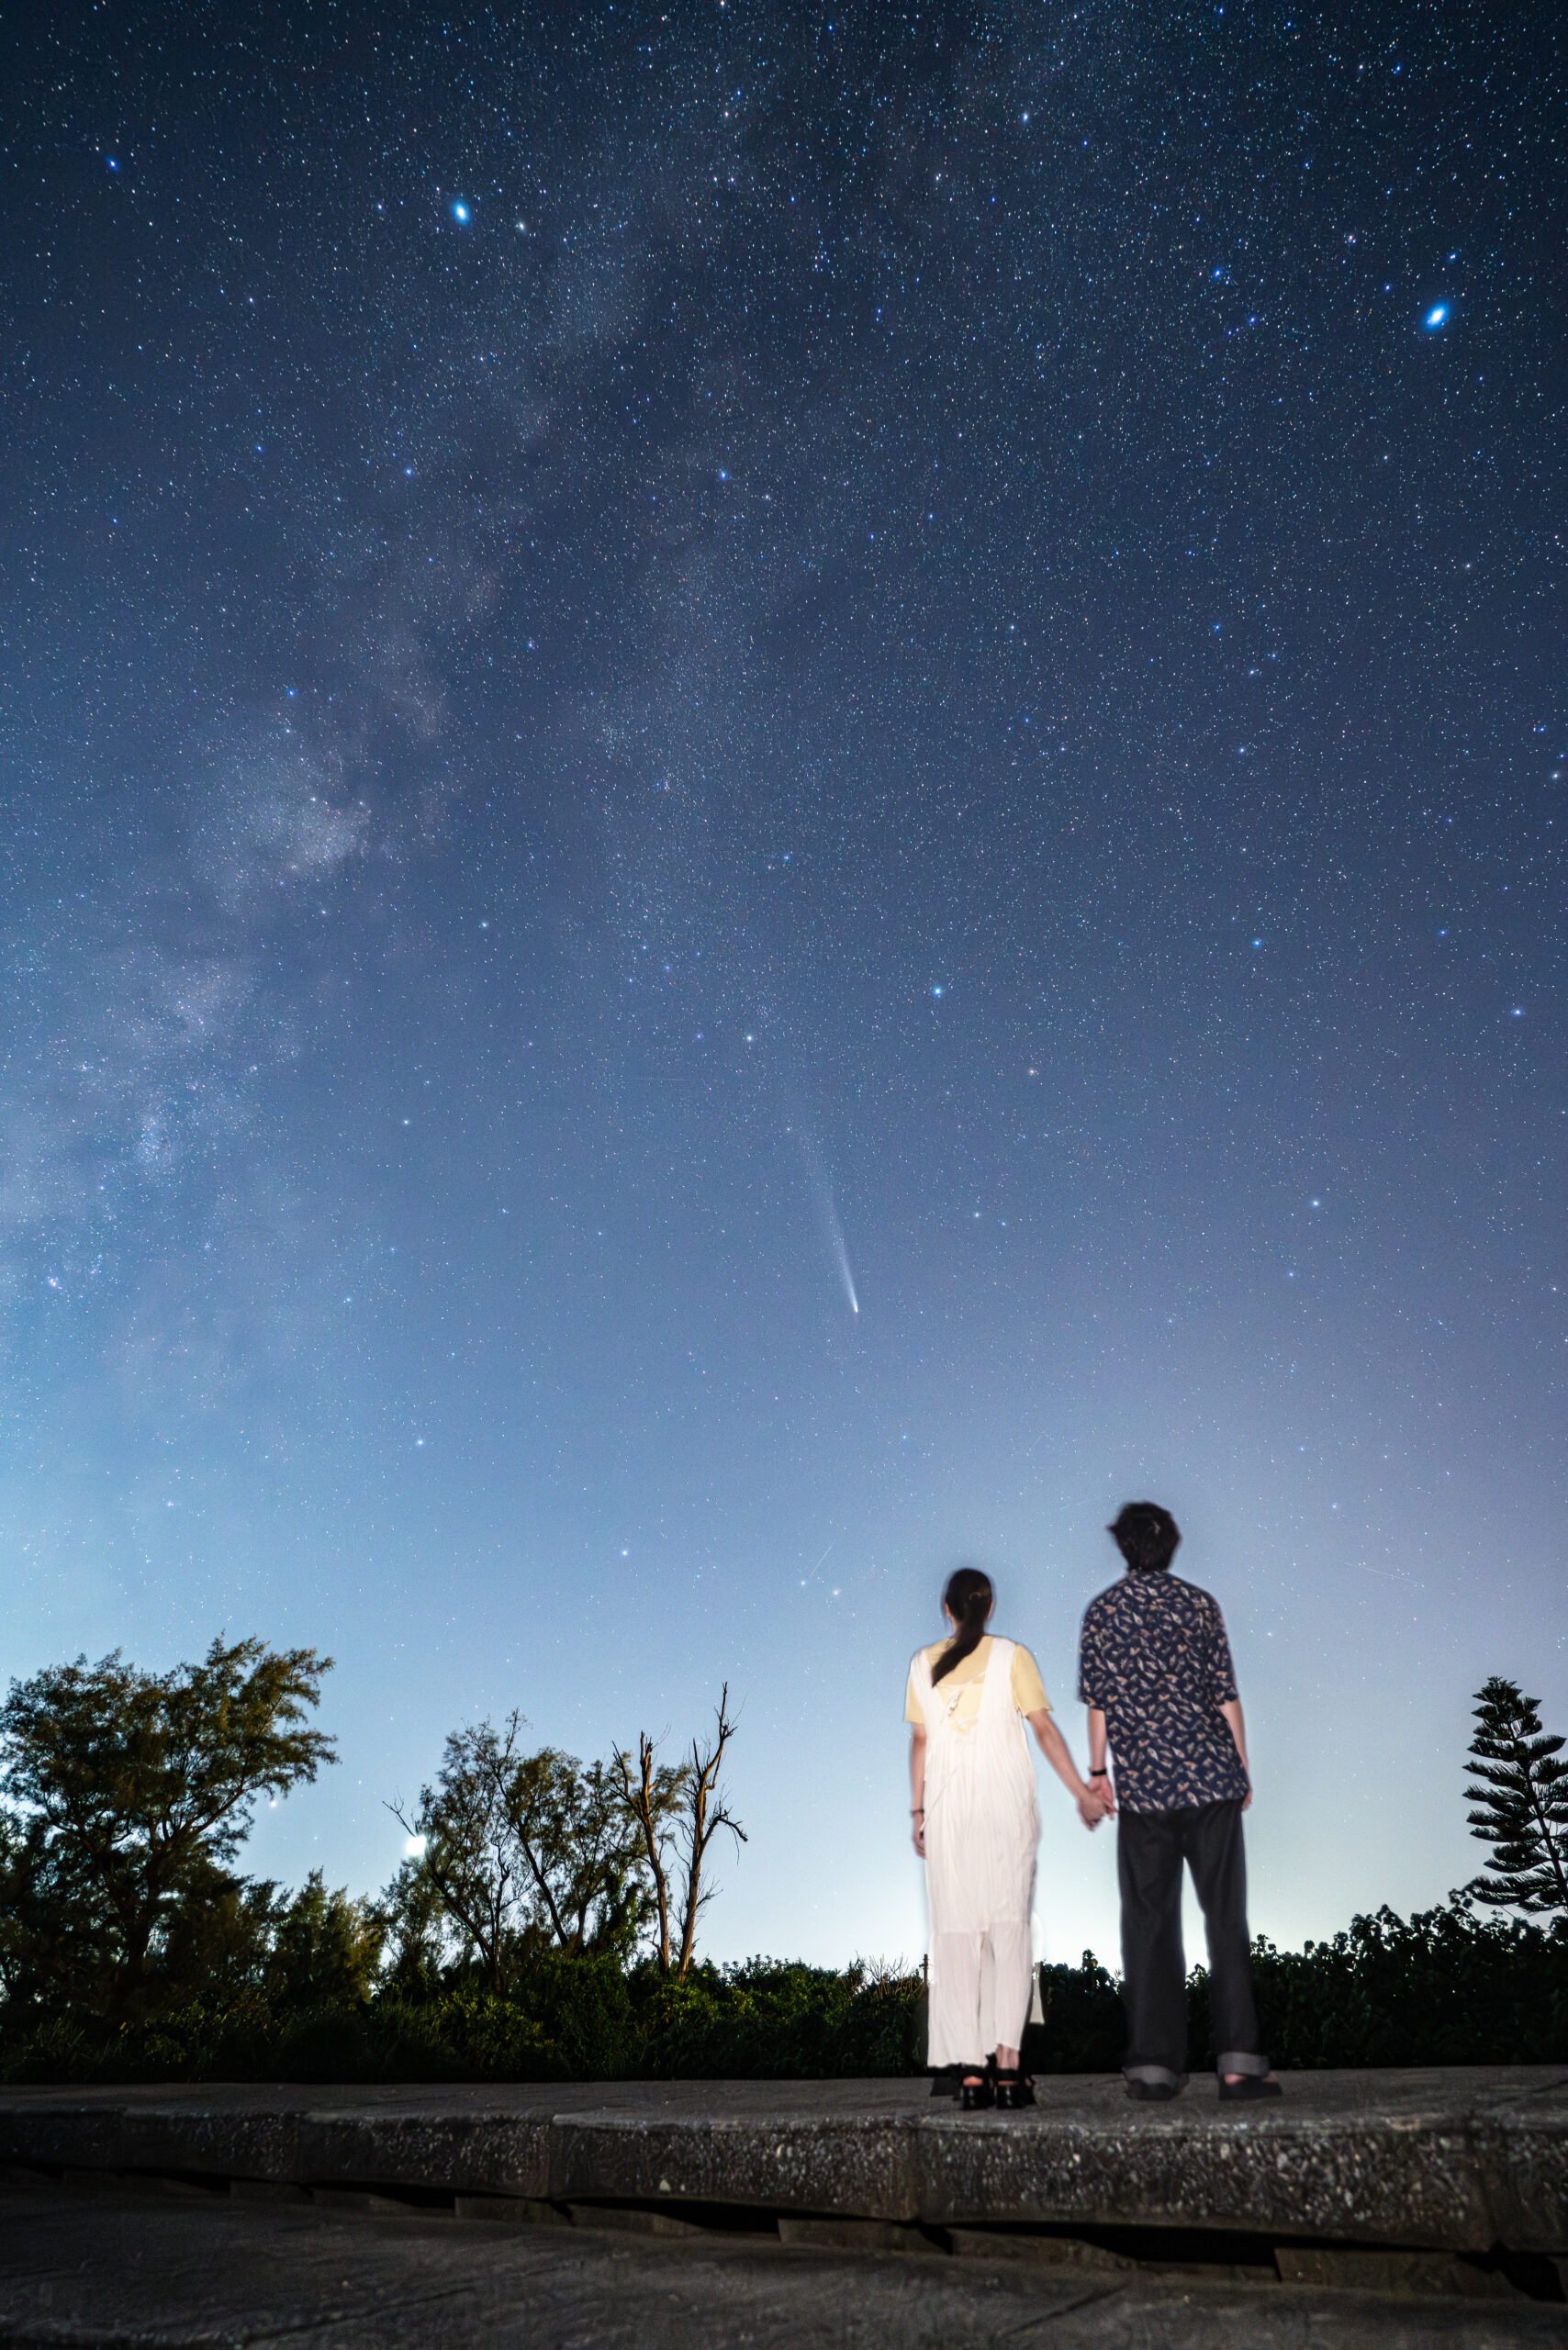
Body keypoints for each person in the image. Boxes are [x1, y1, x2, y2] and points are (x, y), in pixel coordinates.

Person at [1078, 1501, 1280, 2103]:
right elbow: (1225, 1695)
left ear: (1123, 1546)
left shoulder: (1103, 1612)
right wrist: (1241, 1766)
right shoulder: (1199, 1605)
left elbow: (1099, 1705)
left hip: (1143, 1792)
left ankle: (1153, 2066)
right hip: (1211, 1781)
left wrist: (1097, 1773)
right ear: (1171, 1544)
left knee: (1148, 1924)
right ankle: (1240, 2063)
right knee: (1225, 1918)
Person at [907, 1565, 1108, 2110]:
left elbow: (921, 1744)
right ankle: (1011, 2073)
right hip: (1006, 1811)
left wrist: (919, 1810)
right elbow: (1043, 1729)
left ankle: (971, 2076)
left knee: (957, 1938)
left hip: (950, 1815)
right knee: (1008, 1935)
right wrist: (1082, 1792)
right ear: (989, 1608)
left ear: (945, 1609)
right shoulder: (1013, 1656)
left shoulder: (921, 1665)